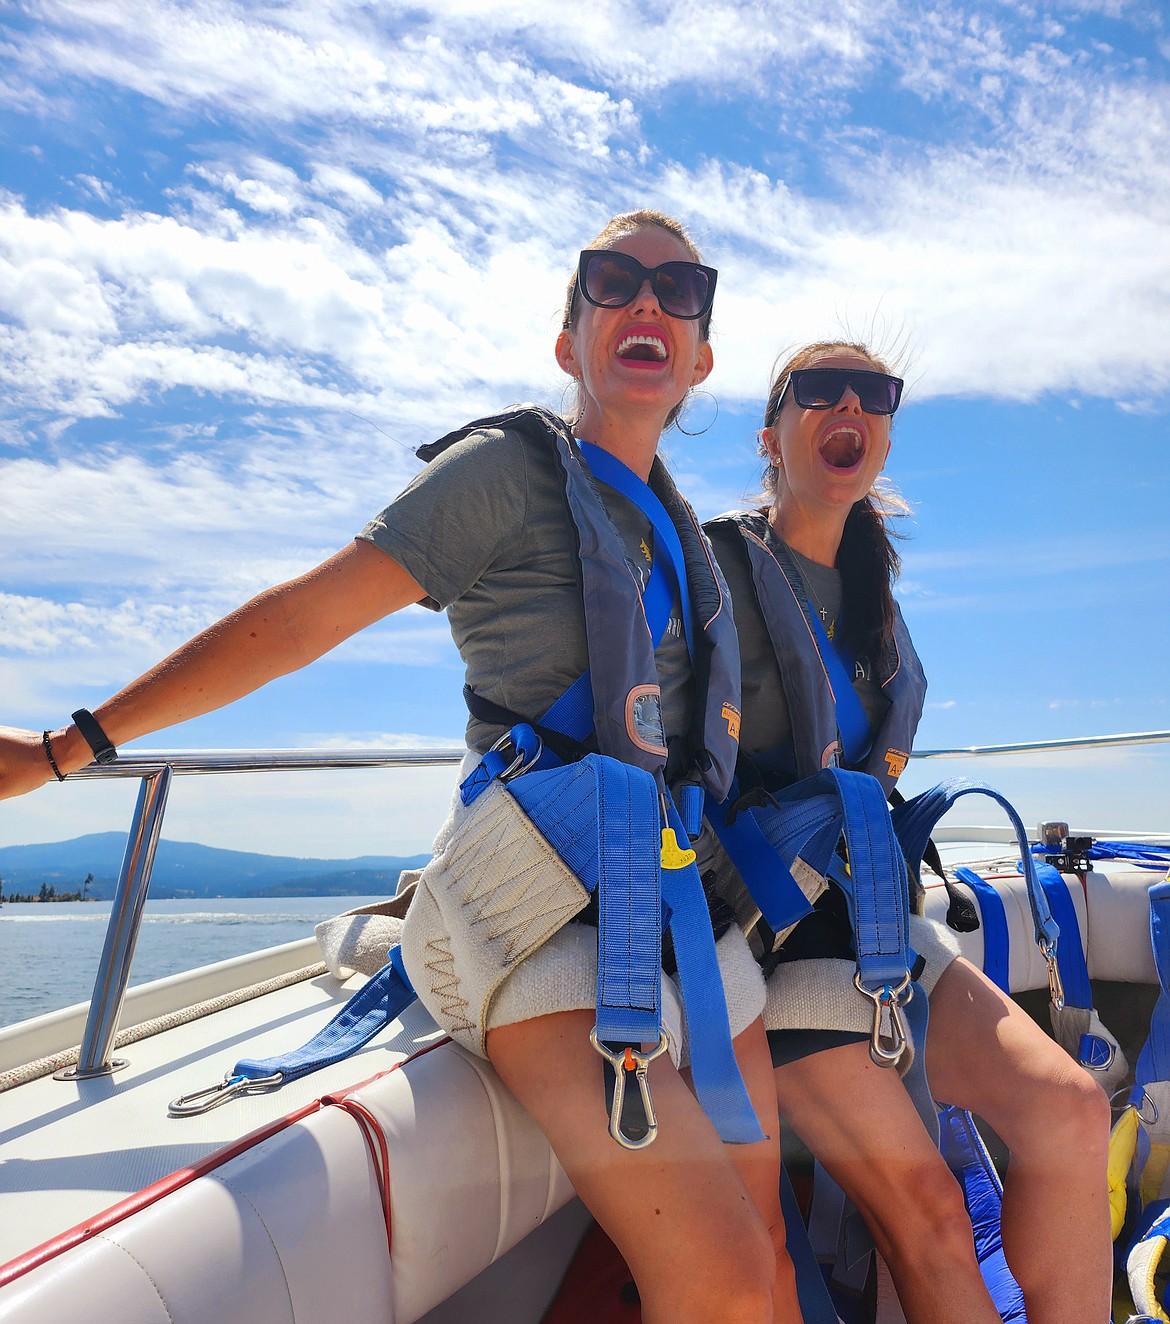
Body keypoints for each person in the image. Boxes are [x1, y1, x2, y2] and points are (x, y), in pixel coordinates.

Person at [0, 211, 802, 1324]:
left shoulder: (681, 529)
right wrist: (62, 750)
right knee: (719, 1281)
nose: (647, 303)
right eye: (613, 281)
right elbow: (297, 622)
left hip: (676, 905)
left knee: (768, 1250)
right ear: (567, 338)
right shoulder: (505, 472)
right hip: (538, 909)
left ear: (702, 357)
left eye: (680, 288)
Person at [703, 340, 1112, 1323]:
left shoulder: (871, 596)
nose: (851, 404)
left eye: (875, 394)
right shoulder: (711, 569)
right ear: (771, 435)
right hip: (767, 930)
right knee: (928, 1215)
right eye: (819, 391)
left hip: (874, 923)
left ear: (883, 433)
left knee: (1070, 1111)